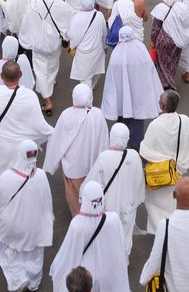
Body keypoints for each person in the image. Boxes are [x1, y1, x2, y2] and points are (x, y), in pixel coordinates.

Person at [0, 139, 54, 292]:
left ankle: (18, 279)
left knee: (10, 254)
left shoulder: (8, 176)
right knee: (34, 254)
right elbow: (47, 201)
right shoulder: (41, 175)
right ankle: (33, 282)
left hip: (13, 225)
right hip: (34, 225)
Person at [0, 60, 53, 185]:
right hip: (21, 148)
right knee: (21, 181)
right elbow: (40, 126)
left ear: (1, 76)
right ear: (21, 74)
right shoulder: (30, 96)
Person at [50, 180, 130, 292]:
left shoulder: (77, 224)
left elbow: (69, 253)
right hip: (110, 271)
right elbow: (121, 246)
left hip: (87, 276)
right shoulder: (114, 219)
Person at [44, 84, 109, 217]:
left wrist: (52, 162)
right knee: (94, 192)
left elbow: (58, 140)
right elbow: (104, 139)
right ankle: (95, 215)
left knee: (74, 196)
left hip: (74, 166)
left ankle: (79, 219)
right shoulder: (98, 114)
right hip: (94, 163)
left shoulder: (67, 115)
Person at [83, 122, 145, 258]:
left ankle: (110, 263)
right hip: (128, 205)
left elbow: (94, 182)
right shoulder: (134, 155)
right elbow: (139, 180)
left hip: (108, 207)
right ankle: (124, 260)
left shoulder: (104, 157)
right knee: (125, 235)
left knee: (108, 237)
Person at [140, 89, 189, 235]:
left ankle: (160, 235)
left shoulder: (155, 125)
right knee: (174, 205)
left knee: (156, 208)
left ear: (162, 106)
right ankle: (174, 232)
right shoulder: (185, 121)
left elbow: (144, 154)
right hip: (176, 173)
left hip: (158, 176)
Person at [101, 25, 163, 151]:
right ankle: (136, 150)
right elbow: (149, 70)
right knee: (137, 123)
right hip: (139, 96)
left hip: (121, 99)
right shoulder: (141, 49)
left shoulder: (117, 53)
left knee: (122, 123)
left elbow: (112, 79)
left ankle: (121, 148)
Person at [19, 0, 71, 115]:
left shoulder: (33, 6)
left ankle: (47, 98)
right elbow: (68, 25)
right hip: (54, 44)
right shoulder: (62, 6)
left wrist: (26, 41)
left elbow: (26, 25)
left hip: (38, 44)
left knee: (40, 70)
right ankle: (48, 90)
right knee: (53, 66)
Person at [151, 0, 189, 91]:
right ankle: (169, 80)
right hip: (177, 42)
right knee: (172, 63)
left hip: (164, 41)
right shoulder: (182, 7)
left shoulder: (161, 8)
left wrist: (153, 40)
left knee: (162, 64)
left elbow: (156, 28)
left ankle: (167, 86)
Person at [67, 0, 107, 89]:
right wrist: (105, 46)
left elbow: (72, 35)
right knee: (96, 71)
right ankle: (92, 85)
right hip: (97, 50)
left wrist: (72, 46)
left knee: (85, 80)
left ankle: (86, 99)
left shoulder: (77, 17)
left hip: (83, 53)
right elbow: (104, 33)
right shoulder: (99, 15)